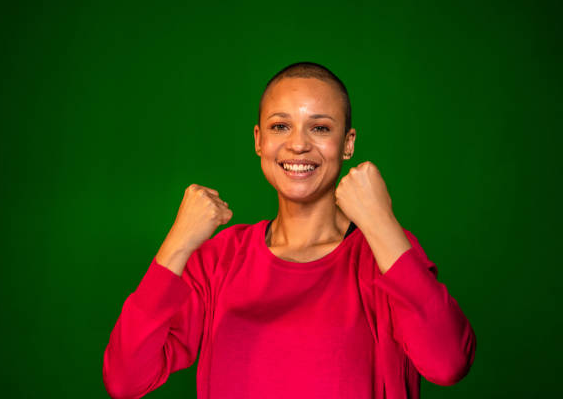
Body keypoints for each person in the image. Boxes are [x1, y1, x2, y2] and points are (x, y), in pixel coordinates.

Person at [102, 62, 477, 399]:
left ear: (347, 145)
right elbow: (126, 379)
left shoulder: (383, 251)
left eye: (320, 128)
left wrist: (382, 222)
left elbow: (448, 364)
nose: (298, 145)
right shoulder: (219, 259)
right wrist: (177, 244)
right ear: (258, 141)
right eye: (280, 126)